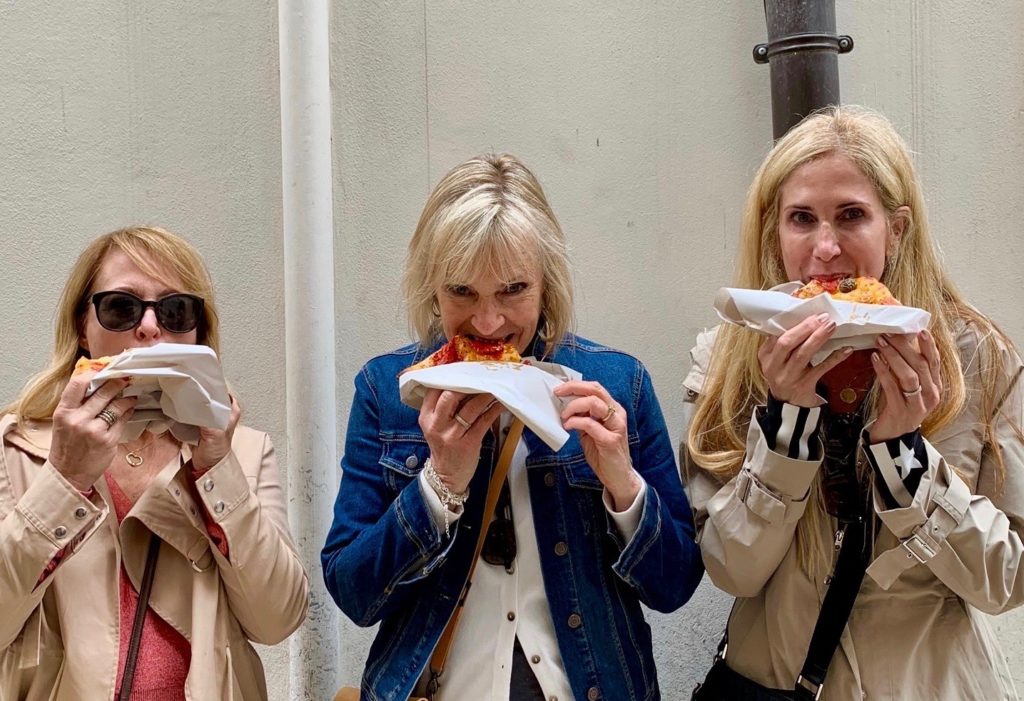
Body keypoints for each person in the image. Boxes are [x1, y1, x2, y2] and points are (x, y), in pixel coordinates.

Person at [322, 153, 703, 700]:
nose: (488, 321)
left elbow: (675, 585)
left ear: (547, 282)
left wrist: (622, 485)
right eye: (462, 292)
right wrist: (438, 487)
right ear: (431, 286)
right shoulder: (390, 390)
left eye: (512, 290)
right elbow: (354, 594)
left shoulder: (616, 384)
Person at [683, 106, 1024, 699]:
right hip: (778, 682)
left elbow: (1005, 583)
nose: (825, 248)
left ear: (896, 229)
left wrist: (904, 455)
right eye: (801, 219)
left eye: (851, 216)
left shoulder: (976, 356)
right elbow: (732, 569)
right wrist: (786, 429)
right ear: (775, 232)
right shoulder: (730, 358)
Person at [0, 226, 309, 700]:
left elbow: (277, 621)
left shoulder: (243, 450)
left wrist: (216, 469)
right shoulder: (15, 447)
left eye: (175, 310)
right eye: (121, 307)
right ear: (83, 326)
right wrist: (63, 479)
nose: (149, 327)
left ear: (198, 333)